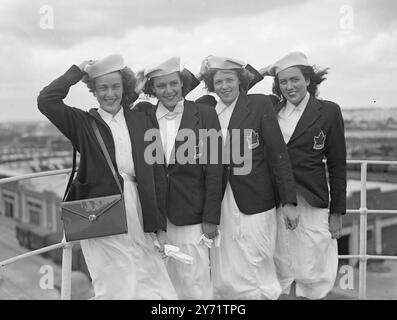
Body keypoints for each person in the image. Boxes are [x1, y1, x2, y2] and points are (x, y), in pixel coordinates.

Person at [37, 54, 177, 299]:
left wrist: (160, 226)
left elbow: (157, 173)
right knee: (113, 282)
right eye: (102, 87)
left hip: (141, 210)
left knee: (151, 277)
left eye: (115, 86)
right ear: (93, 90)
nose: (109, 93)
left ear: (124, 88)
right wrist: (76, 72)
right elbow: (46, 101)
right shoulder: (83, 123)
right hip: (102, 213)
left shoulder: (144, 120)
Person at [195, 55, 297, 300]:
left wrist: (289, 202)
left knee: (258, 259)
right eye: (218, 82)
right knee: (225, 263)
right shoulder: (206, 109)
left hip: (256, 197)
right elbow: (174, 94)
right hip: (219, 199)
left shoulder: (259, 104)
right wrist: (200, 74)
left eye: (230, 79)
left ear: (242, 81)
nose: (224, 86)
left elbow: (278, 155)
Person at [258, 51, 347, 299]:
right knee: (281, 265)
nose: (289, 86)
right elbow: (242, 88)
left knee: (314, 268)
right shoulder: (271, 109)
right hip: (276, 202)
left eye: (295, 79)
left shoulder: (328, 111)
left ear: (308, 80)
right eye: (283, 81)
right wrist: (265, 71)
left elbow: (338, 165)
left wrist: (337, 212)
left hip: (312, 201)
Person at [134, 56, 223, 299]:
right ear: (151, 89)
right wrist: (139, 83)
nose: (169, 90)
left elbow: (216, 168)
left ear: (183, 83)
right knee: (161, 281)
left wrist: (211, 216)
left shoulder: (205, 114)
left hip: (192, 213)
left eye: (174, 83)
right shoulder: (143, 116)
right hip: (154, 216)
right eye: (161, 86)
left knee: (195, 281)